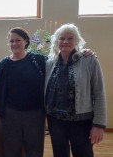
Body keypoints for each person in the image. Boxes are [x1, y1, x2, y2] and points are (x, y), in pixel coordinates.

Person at [0, 27, 46, 157]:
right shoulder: (4, 64)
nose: (14, 44)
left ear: (25, 41)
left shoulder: (39, 60)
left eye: (18, 40)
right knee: (11, 151)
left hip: (34, 115)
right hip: (10, 116)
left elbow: (59, 65)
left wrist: (83, 54)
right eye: (11, 41)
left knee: (35, 151)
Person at [44, 23, 107, 157]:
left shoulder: (89, 60)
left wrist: (99, 125)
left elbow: (99, 93)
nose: (65, 41)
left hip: (81, 122)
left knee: (83, 154)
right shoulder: (50, 63)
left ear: (77, 41)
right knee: (59, 154)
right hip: (55, 121)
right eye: (62, 38)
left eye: (70, 38)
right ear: (56, 41)